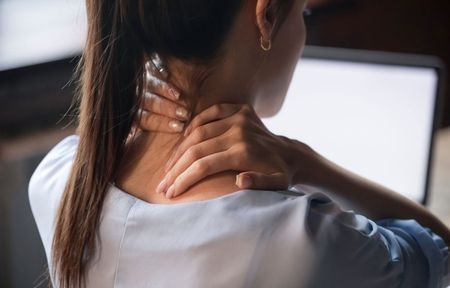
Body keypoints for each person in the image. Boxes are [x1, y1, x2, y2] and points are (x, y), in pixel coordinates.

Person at [29, 0, 450, 287]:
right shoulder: (303, 242)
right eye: (301, 10)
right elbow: (439, 252)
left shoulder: (58, 179)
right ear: (265, 15)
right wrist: (304, 161)